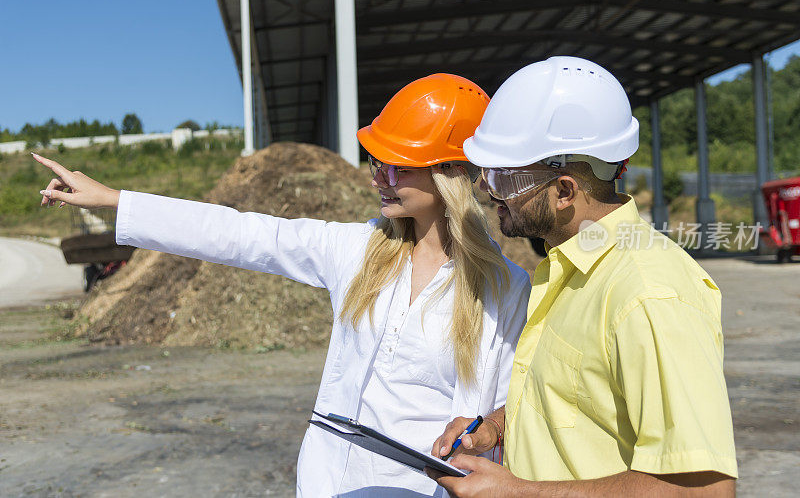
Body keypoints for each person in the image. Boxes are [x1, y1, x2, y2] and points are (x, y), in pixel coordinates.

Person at [34, 73, 531, 497]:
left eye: (396, 164)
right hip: (332, 485)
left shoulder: (508, 290)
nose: (378, 176)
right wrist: (114, 200)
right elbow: (240, 233)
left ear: (449, 175)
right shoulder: (357, 252)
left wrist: (489, 429)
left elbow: (526, 398)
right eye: (376, 160)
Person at [428, 57, 737, 497]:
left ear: (564, 191)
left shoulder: (650, 295)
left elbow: (704, 490)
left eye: (502, 177)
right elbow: (579, 405)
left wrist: (519, 492)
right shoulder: (567, 268)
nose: (484, 189)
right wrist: (494, 428)